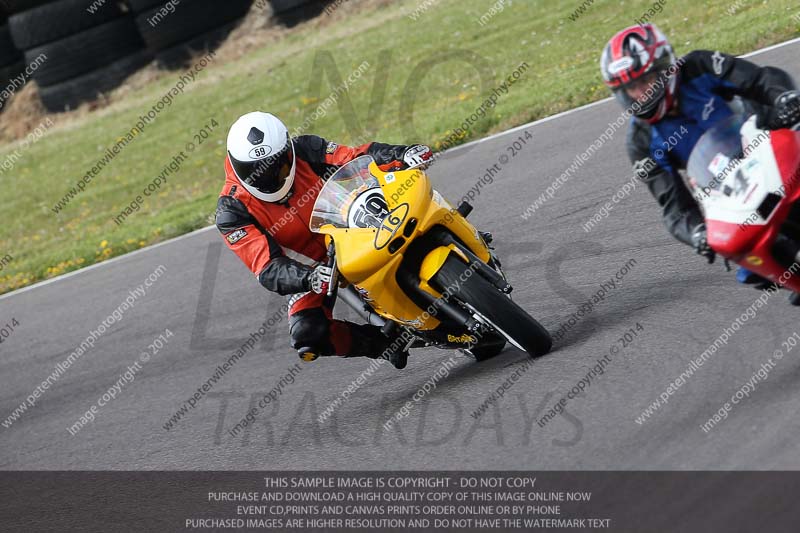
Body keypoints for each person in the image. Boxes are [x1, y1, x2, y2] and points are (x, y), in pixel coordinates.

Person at [215, 111, 432, 369]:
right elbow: (267, 268)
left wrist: (401, 155)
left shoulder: (307, 149)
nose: (269, 178)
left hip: (352, 225)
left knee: (410, 211)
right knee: (307, 334)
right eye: (256, 173)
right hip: (312, 268)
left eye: (279, 167)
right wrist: (308, 277)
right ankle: (385, 343)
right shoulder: (232, 210)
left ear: (288, 152)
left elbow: (357, 157)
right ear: (235, 164)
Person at [600, 24, 800, 292]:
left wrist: (784, 99)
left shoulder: (700, 66)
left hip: (767, 143)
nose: (641, 93)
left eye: (645, 81)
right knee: (753, 258)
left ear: (665, 67)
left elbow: (760, 80)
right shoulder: (641, 143)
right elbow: (674, 208)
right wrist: (697, 233)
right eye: (632, 88)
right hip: (732, 191)